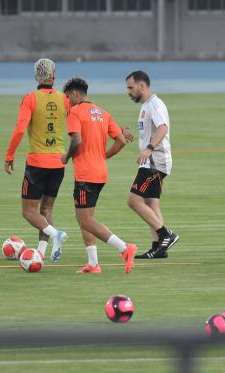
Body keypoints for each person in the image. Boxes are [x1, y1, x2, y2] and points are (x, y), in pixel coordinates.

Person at [61, 77, 138, 274]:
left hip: (86, 174)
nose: (67, 101)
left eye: (68, 97)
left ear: (75, 94)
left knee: (85, 220)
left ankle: (124, 248)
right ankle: (93, 263)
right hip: (100, 172)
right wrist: (102, 157)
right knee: (85, 218)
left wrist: (66, 157)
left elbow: (76, 139)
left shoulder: (75, 112)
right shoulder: (102, 112)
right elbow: (121, 140)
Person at [4, 58, 68, 262]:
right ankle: (40, 252)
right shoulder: (64, 99)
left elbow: (20, 128)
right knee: (46, 209)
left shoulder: (30, 99)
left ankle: (55, 234)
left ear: (36, 76)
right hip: (59, 163)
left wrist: (10, 155)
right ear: (54, 75)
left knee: (28, 212)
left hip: (37, 164)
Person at [125, 71, 179, 259]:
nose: (128, 92)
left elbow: (163, 128)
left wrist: (149, 148)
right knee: (151, 202)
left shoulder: (154, 104)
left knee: (133, 200)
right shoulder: (146, 106)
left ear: (142, 86)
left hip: (155, 162)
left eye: (130, 87)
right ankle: (159, 248)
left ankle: (165, 235)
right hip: (150, 162)